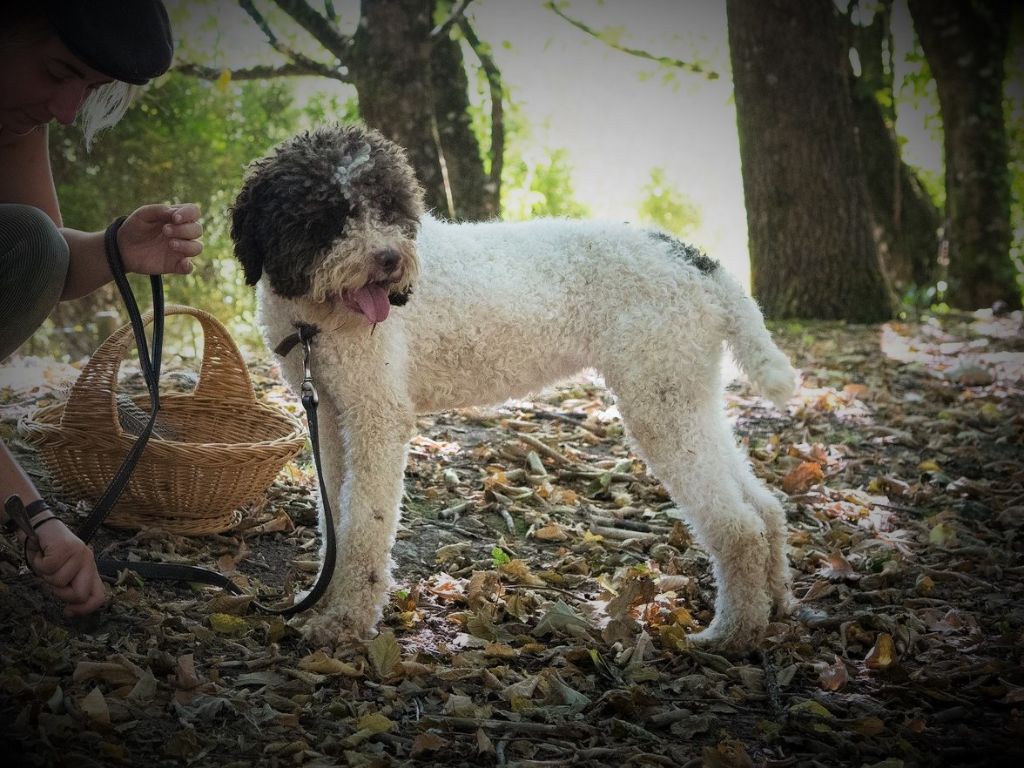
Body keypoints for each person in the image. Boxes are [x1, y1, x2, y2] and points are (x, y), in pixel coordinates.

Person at [0, 1, 202, 617]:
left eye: (88, 88)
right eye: (58, 72)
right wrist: (38, 517)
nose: (66, 111)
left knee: (33, 240)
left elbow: (37, 259)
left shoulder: (15, 119)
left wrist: (116, 248)